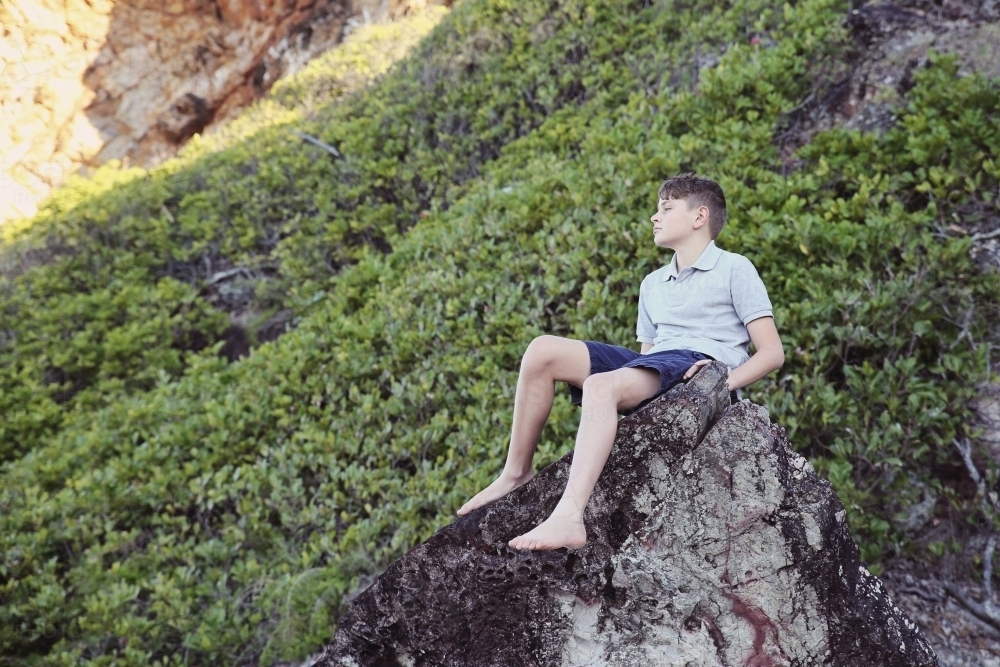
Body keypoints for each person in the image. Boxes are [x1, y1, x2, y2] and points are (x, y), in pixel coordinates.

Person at [456, 173, 785, 550]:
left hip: (699, 366)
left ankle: (568, 517)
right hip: (661, 366)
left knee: (600, 384)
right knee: (542, 350)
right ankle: (516, 472)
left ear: (700, 217)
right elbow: (647, 360)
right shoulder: (653, 283)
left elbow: (772, 352)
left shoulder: (734, 268)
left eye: (666, 208)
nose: (654, 217)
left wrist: (715, 385)